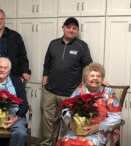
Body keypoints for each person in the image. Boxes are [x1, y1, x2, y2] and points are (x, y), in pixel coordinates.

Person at [40, 17, 93, 146]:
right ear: (63, 28)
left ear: (77, 30)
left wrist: (97, 80)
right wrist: (44, 79)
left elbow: (89, 67)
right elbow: (47, 64)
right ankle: (45, 143)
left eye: (74, 28)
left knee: (66, 123)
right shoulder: (53, 44)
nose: (71, 30)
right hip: (50, 91)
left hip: (70, 94)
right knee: (47, 120)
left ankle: (62, 144)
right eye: (68, 27)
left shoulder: (82, 46)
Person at [57, 62, 121, 146]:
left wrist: (98, 127)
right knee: (66, 141)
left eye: (98, 76)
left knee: (89, 143)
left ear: (102, 79)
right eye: (92, 76)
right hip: (80, 130)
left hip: (102, 131)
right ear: (86, 78)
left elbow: (116, 117)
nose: (95, 78)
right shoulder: (79, 91)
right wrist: (70, 122)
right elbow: (66, 108)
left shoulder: (108, 93)